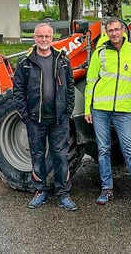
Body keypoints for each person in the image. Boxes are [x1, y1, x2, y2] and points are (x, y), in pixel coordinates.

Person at [84, 17, 131, 209]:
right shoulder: (99, 52)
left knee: (129, 151)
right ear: (106, 33)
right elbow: (91, 81)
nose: (115, 33)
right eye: (111, 30)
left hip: (124, 110)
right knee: (103, 150)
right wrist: (87, 109)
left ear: (123, 31)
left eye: (117, 29)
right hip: (100, 109)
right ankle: (106, 190)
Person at [12, 22, 78, 211]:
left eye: (47, 36)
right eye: (40, 36)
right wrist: (26, 116)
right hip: (35, 120)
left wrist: (67, 112)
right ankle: (40, 191)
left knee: (61, 156)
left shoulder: (62, 60)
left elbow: (70, 87)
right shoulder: (25, 63)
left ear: (52, 38)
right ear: (35, 38)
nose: (44, 40)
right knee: (38, 156)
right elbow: (18, 92)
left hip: (59, 120)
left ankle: (63, 193)